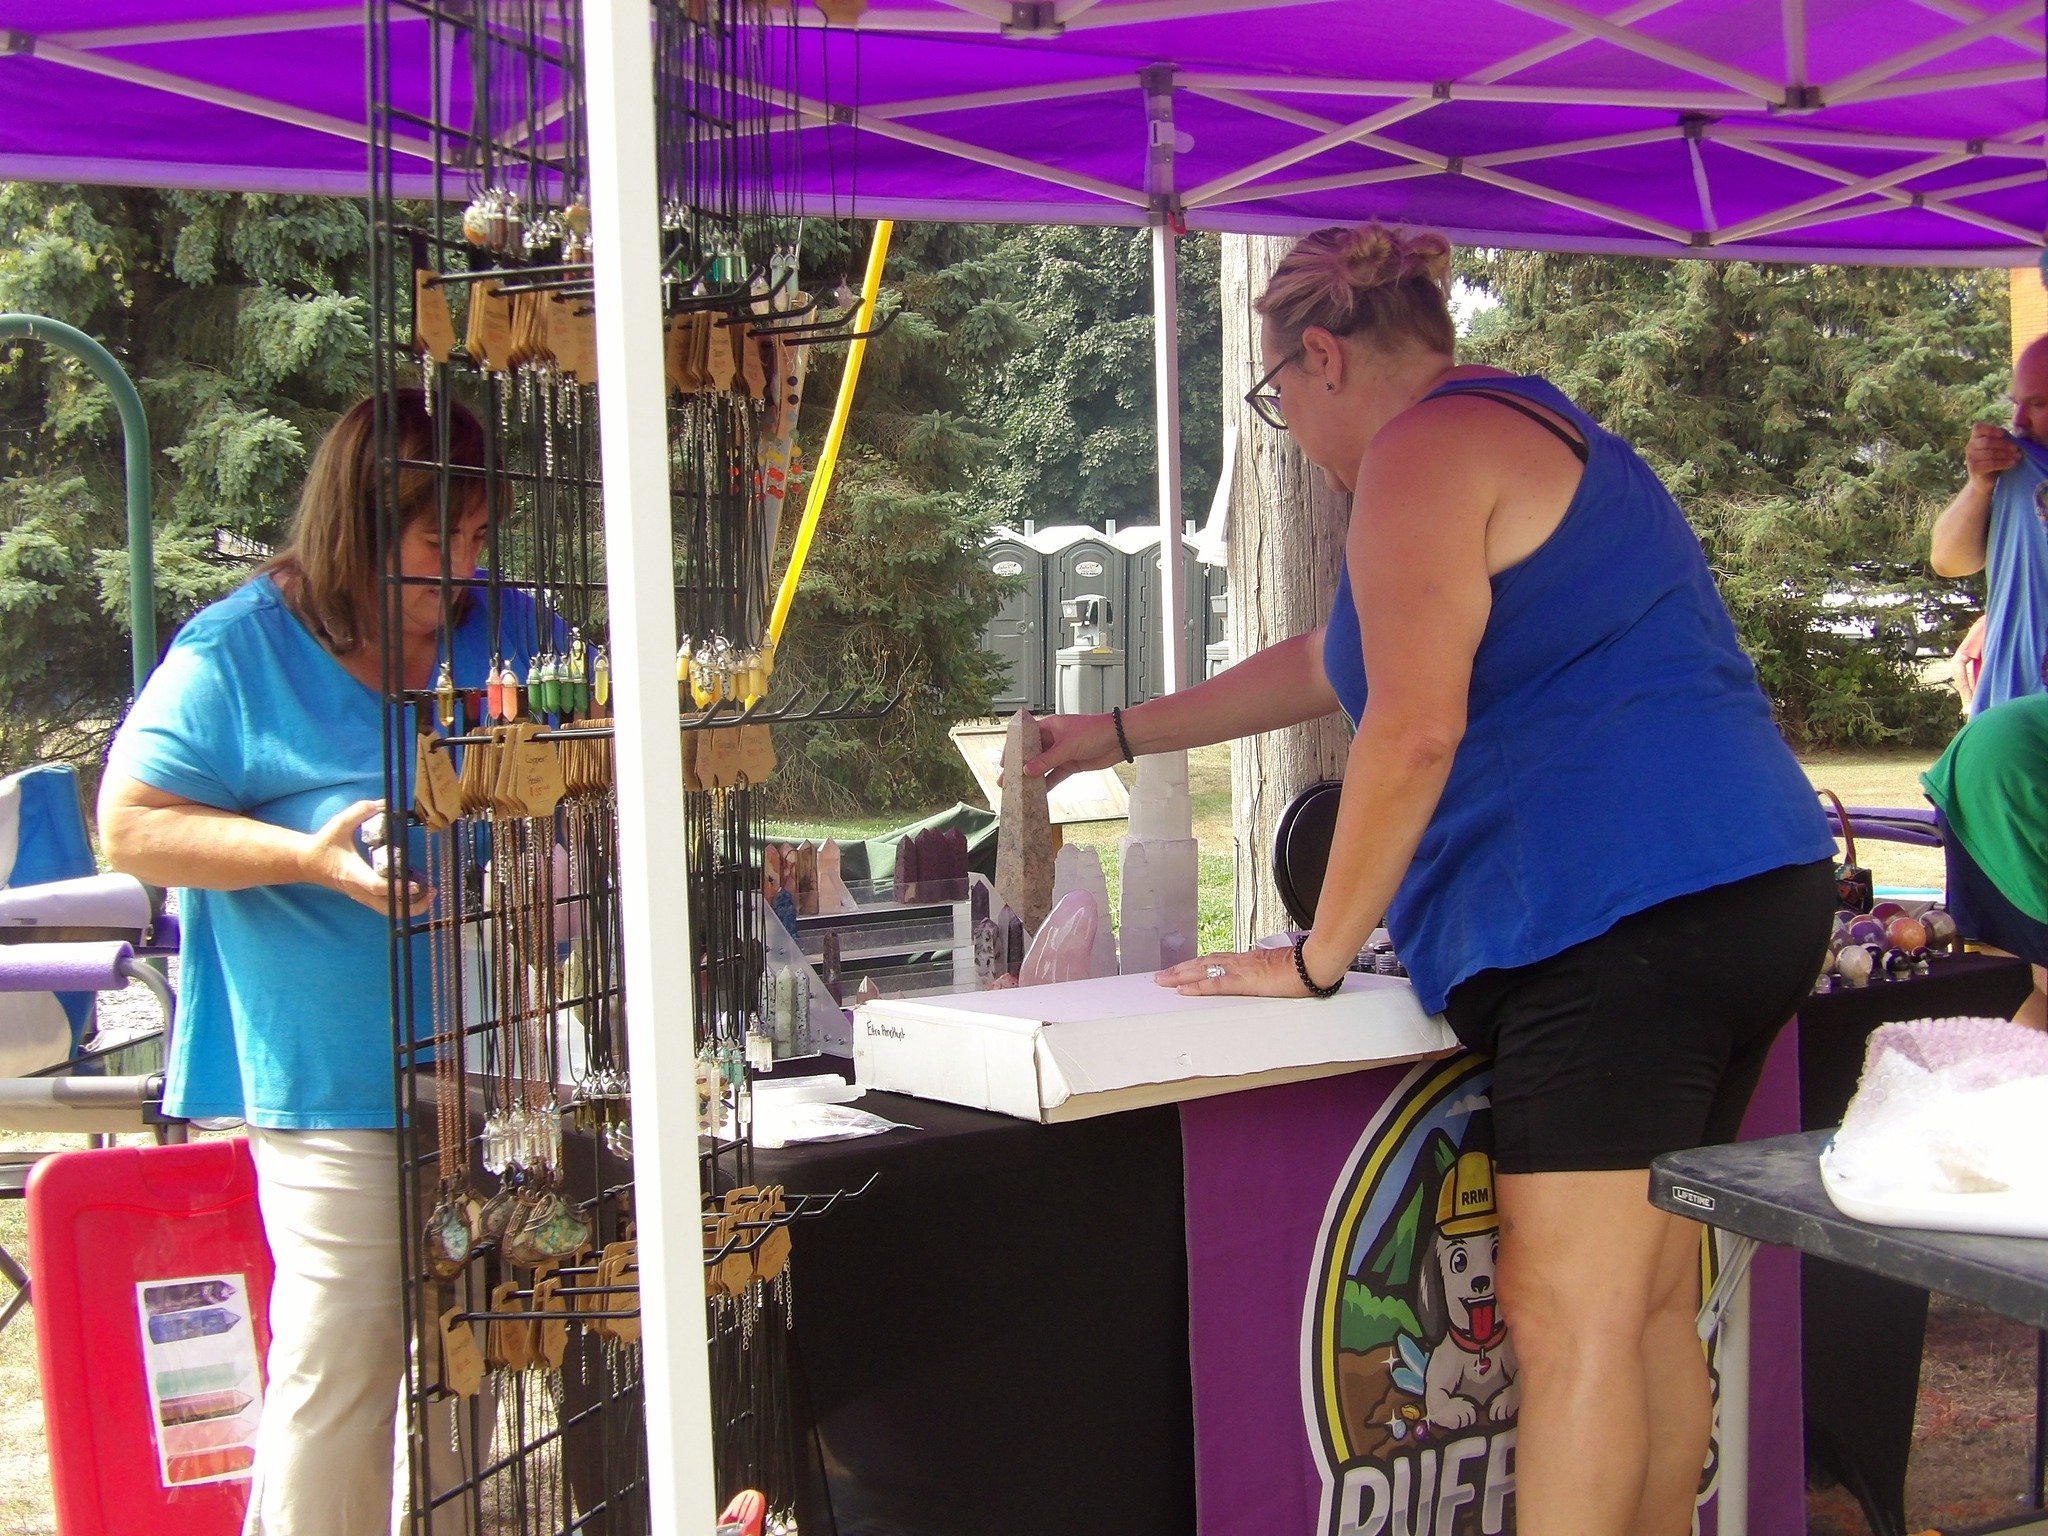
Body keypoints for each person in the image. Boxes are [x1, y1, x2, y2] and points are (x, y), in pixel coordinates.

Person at [1026, 223, 1835, 1536]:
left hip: (1620, 922)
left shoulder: (1418, 455)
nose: (1284, 425)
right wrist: (1111, 737)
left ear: (1323, 358)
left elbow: (1407, 726)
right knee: (1638, 1308)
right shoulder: (1520, 430)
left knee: (1570, 1325)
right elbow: (1325, 659)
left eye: (1274, 397)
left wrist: (1314, 953)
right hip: (1754, 888)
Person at [99, 391, 552, 1536]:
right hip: (324, 1073)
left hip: (490, 1073)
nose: (459, 570)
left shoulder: (512, 628)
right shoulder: (236, 652)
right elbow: (132, 826)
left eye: (478, 539)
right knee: (341, 1363)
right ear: (356, 528)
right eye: (434, 540)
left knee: (468, 1364)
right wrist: (304, 854)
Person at [1929, 335, 2048, 714]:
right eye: (2016, 404)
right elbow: (1948, 562)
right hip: (2010, 712)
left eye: (2039, 404)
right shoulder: (2014, 467)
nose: (2018, 422)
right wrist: (1979, 485)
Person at [1922, 692, 2048, 1029]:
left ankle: (2010, 1065)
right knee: (2024, 956)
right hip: (2013, 768)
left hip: (1976, 758)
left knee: (2011, 966)